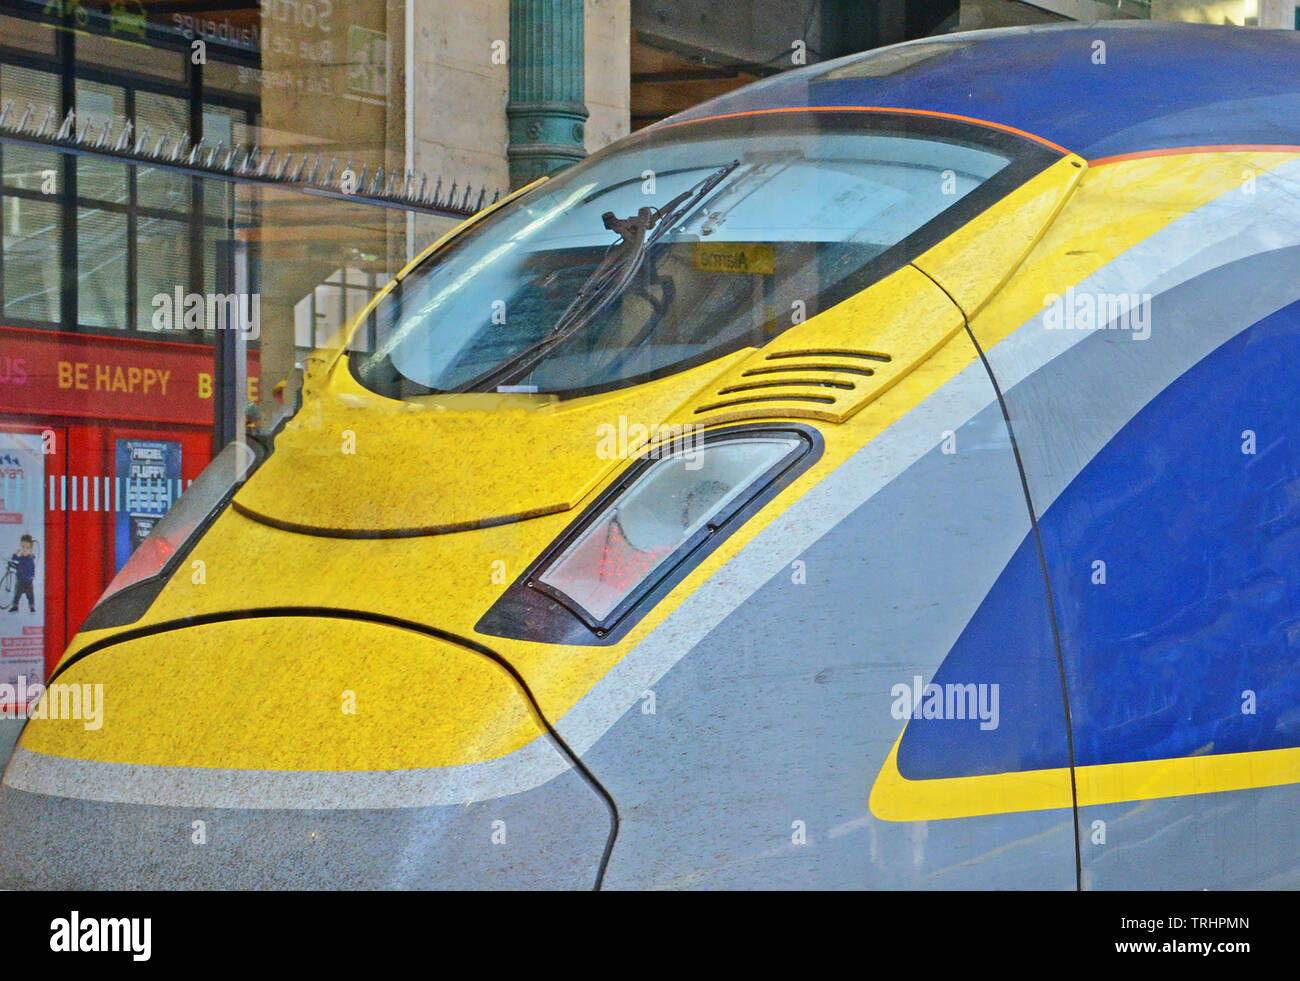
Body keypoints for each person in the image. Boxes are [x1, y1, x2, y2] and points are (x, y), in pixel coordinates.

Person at [7, 534, 35, 613]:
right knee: (17, 595)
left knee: (30, 595)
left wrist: (32, 576)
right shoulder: (20, 558)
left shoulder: (30, 559)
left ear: (31, 549)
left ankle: (32, 606)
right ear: (20, 547)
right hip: (20, 581)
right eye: (23, 547)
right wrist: (15, 553)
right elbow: (14, 559)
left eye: (27, 548)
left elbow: (32, 569)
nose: (25, 549)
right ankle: (15, 606)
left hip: (28, 582)